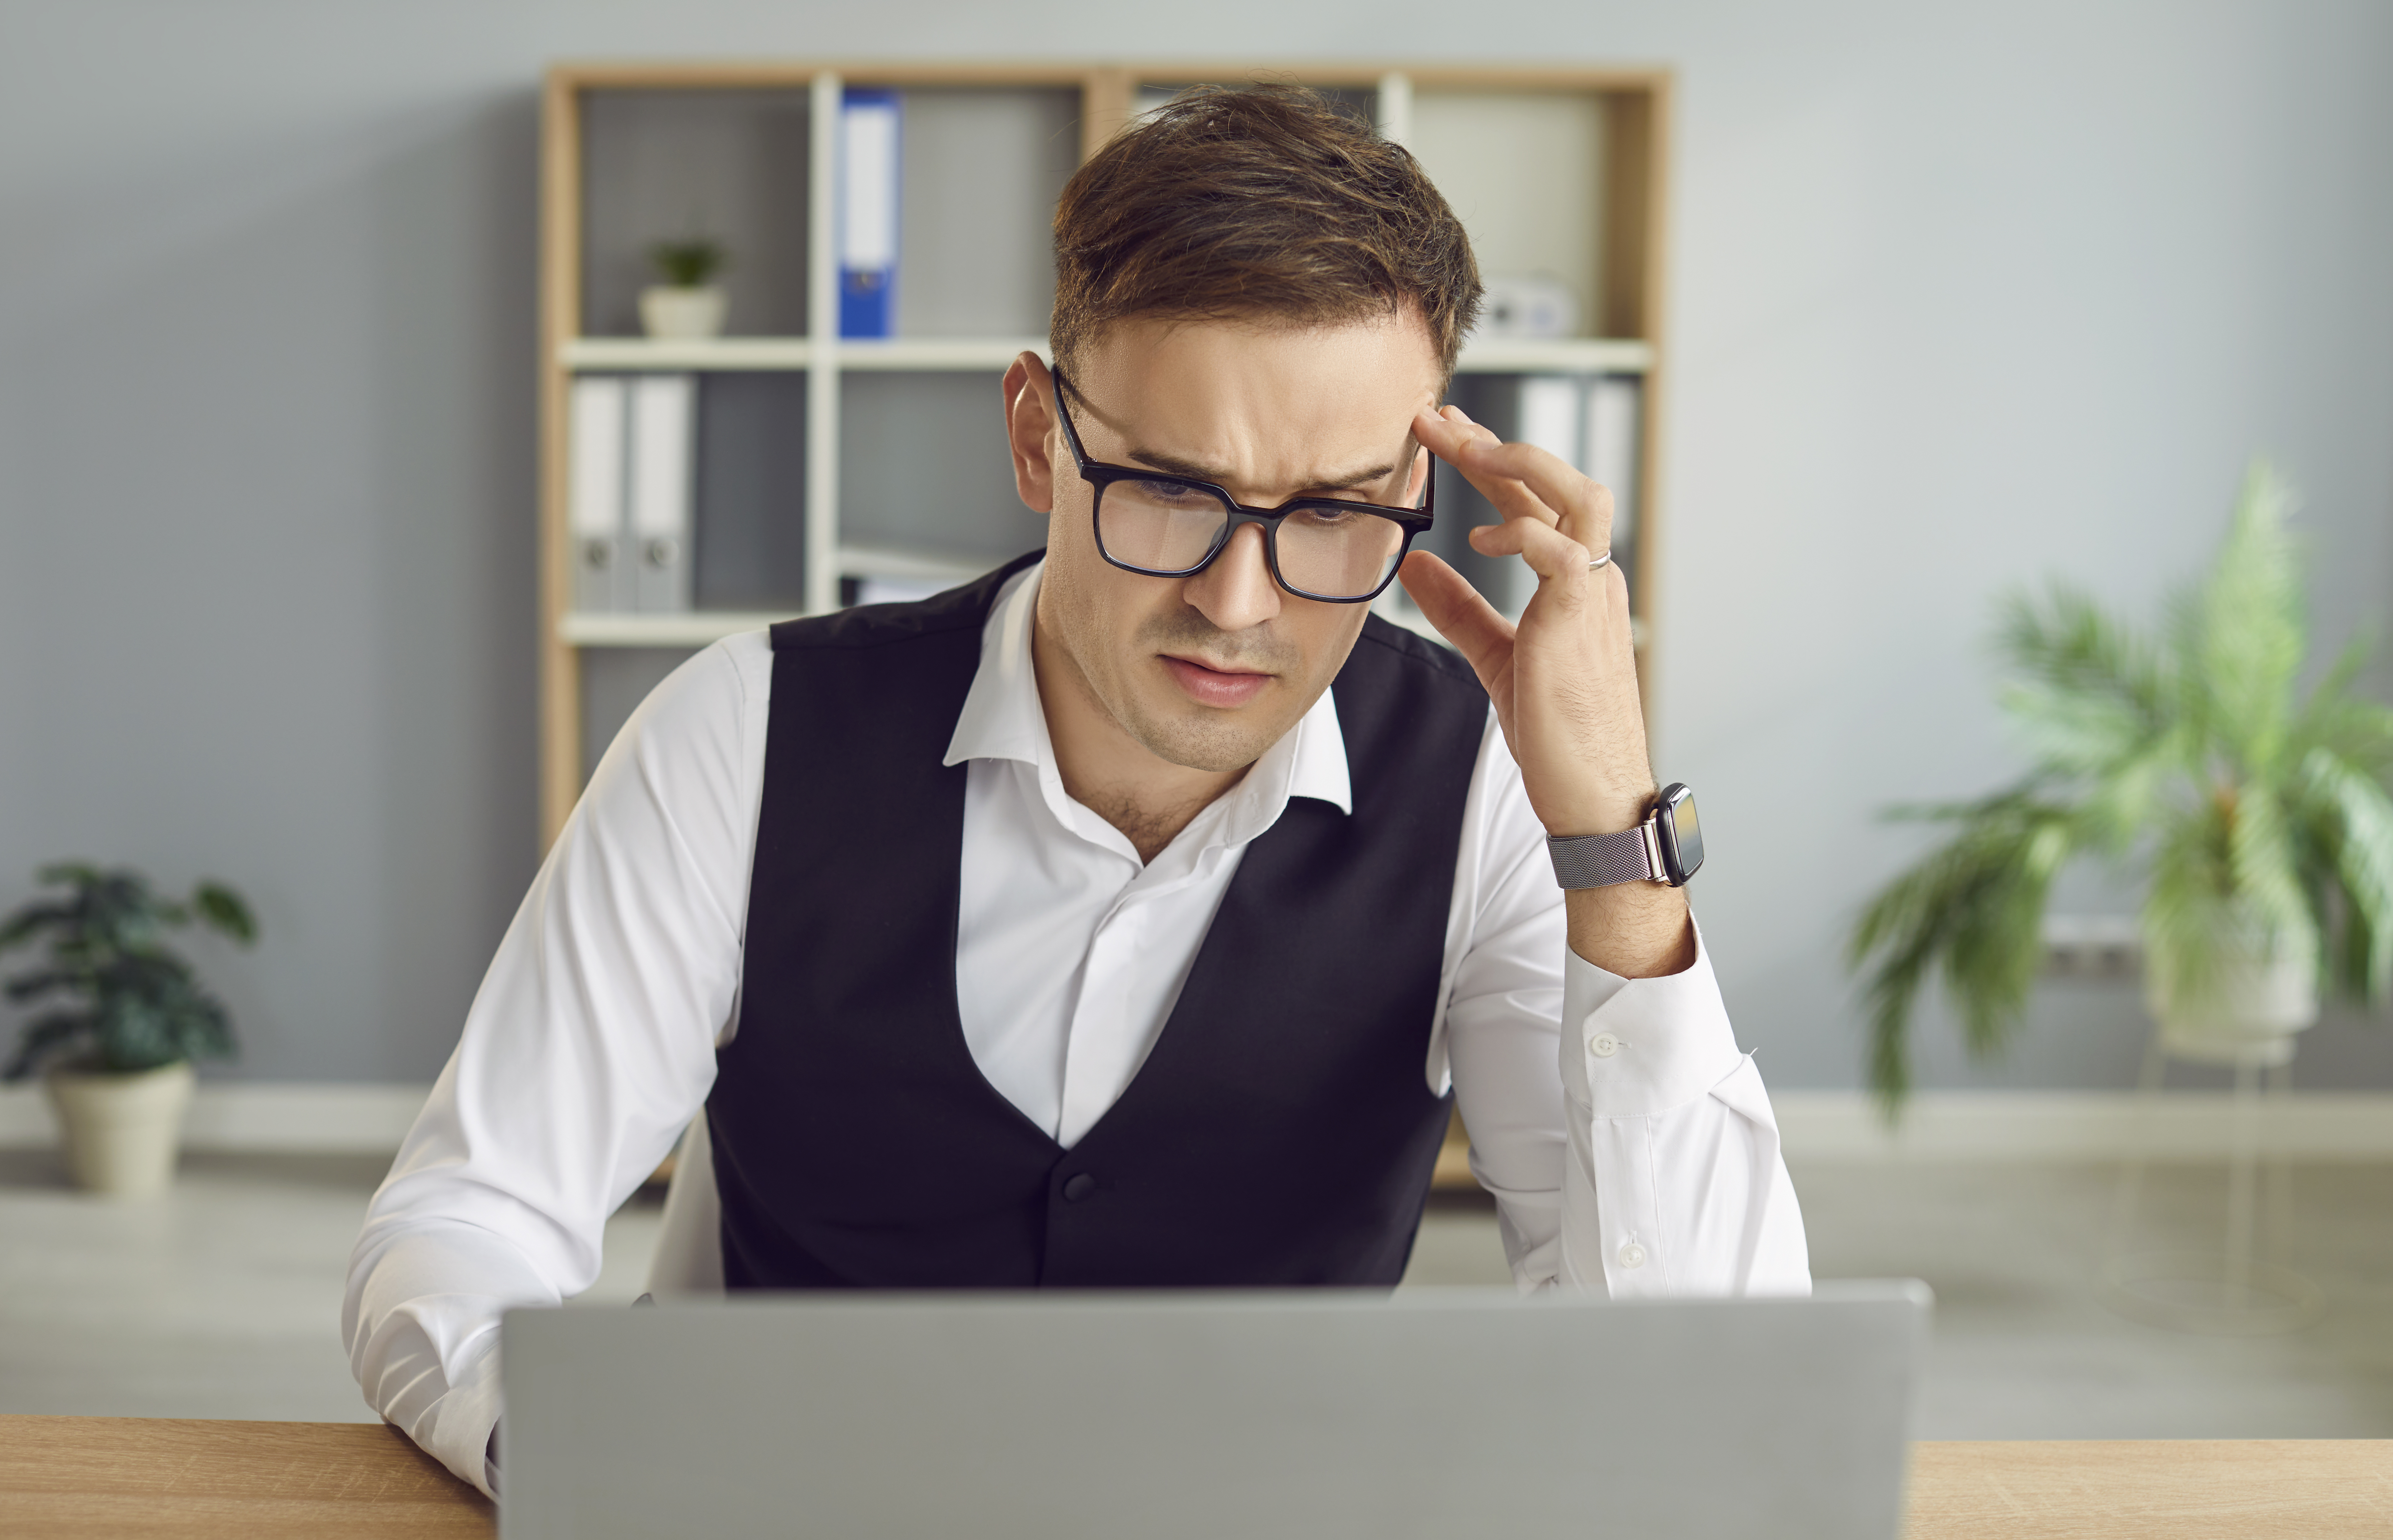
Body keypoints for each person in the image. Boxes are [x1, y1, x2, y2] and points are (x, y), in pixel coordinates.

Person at [345, 84, 1809, 1498]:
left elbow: (1711, 1382)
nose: (1243, 603)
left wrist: (1612, 837)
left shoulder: (1480, 788)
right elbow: (465, 1225)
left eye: (1336, 512)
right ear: (1042, 438)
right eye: (1173, 489)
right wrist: (607, 1472)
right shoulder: (744, 731)